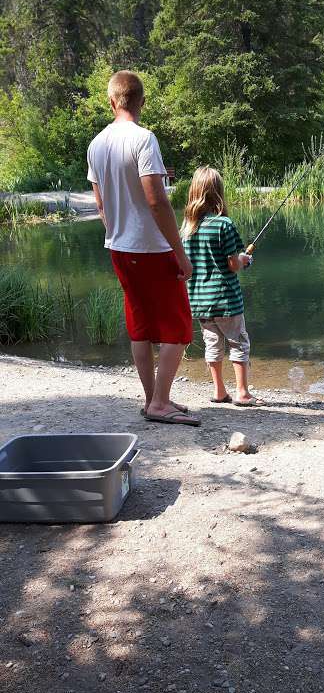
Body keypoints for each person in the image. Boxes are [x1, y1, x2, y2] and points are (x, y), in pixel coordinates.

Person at [87, 70, 200, 427]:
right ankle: (160, 403)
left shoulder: (96, 143)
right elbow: (157, 202)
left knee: (140, 324)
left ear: (111, 101)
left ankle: (153, 398)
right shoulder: (143, 139)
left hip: (118, 247)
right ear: (141, 101)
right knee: (178, 327)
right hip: (151, 247)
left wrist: (117, 231)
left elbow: (101, 203)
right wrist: (179, 251)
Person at [181, 166, 263, 406]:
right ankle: (242, 393)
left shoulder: (186, 228)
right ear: (218, 192)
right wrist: (244, 260)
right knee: (238, 341)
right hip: (226, 299)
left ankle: (219, 391)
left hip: (199, 301)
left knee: (213, 344)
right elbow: (232, 265)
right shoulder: (224, 224)